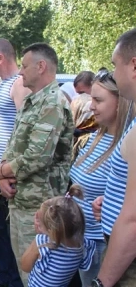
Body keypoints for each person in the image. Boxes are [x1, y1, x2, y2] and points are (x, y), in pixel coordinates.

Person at [0, 43, 74, 285]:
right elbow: (15, 144)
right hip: (20, 200)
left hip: (40, 208)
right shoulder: (33, 101)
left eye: (25, 66)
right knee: (24, 270)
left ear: (41, 66)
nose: (20, 72)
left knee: (38, 276)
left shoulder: (52, 103)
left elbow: (38, 157)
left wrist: (0, 171)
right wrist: (3, 178)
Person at [69, 69, 134, 286]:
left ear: (120, 102)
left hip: (102, 244)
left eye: (98, 100)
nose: (90, 106)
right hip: (82, 239)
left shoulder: (125, 146)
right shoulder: (97, 137)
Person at [0, 38, 30, 287]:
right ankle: (6, 278)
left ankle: (13, 281)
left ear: (0, 58)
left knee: (12, 234)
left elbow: (24, 132)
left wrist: (6, 175)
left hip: (9, 176)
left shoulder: (20, 83)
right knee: (1, 230)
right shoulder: (2, 85)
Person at [93, 28, 136, 287]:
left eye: (114, 66)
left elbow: (133, 222)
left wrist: (102, 282)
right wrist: (110, 201)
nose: (113, 75)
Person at [21, 188, 96, 287]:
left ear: (50, 229)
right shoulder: (83, 245)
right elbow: (83, 265)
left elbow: (25, 266)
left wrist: (39, 236)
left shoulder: (43, 243)